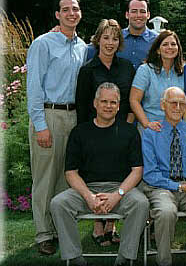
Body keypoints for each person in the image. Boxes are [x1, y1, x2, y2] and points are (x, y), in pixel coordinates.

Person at [50, 82, 149, 266]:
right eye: (104, 101)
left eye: (113, 102)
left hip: (120, 189)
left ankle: (125, 258)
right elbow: (71, 172)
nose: (108, 106)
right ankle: (75, 258)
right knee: (59, 203)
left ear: (119, 106)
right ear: (95, 103)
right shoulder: (80, 132)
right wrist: (88, 197)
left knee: (141, 203)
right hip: (86, 190)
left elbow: (137, 171)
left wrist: (116, 195)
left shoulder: (129, 132)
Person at [26, 0, 87, 255]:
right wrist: (40, 125)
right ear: (57, 15)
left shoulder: (83, 47)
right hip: (49, 115)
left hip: (73, 116)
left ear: (80, 13)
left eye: (75, 9)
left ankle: (60, 229)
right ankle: (43, 234)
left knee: (66, 177)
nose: (71, 13)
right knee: (45, 178)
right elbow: (34, 87)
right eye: (66, 9)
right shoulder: (43, 44)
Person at [75, 18, 136, 246]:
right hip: (94, 132)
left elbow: (130, 102)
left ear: (120, 42)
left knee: (119, 172)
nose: (110, 42)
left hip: (121, 131)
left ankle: (112, 224)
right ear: (98, 39)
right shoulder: (87, 70)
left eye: (115, 38)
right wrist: (87, 135)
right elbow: (82, 106)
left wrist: (127, 130)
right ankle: (98, 225)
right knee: (97, 173)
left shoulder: (127, 68)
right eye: (106, 37)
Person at [141, 86, 186, 266]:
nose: (178, 108)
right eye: (173, 103)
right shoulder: (151, 133)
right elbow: (150, 174)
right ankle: (164, 261)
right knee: (166, 212)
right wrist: (180, 187)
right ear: (163, 105)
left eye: (182, 104)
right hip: (161, 188)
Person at [129, 30, 184, 136]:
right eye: (165, 44)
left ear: (178, 48)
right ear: (158, 50)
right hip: (151, 129)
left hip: (176, 130)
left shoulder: (183, 72)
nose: (170, 47)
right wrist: (147, 124)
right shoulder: (146, 70)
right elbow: (134, 100)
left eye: (173, 44)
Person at [86, 0, 158, 69]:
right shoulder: (116, 37)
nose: (138, 15)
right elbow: (90, 49)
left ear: (148, 15)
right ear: (127, 14)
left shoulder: (157, 41)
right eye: (134, 11)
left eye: (142, 11)